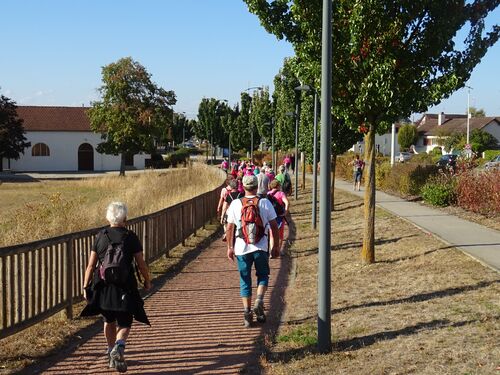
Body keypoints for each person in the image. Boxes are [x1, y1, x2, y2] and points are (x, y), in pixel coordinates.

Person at [81, 202, 151, 373]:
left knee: (108, 320)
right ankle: (118, 347)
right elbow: (141, 264)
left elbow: (91, 265)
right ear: (125, 218)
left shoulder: (100, 236)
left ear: (108, 217)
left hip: (103, 286)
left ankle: (110, 350)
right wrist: (147, 280)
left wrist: (85, 286)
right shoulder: (130, 237)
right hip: (125, 286)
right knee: (126, 322)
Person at [226, 175, 279, 328]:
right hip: (260, 247)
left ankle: (247, 313)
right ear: (257, 187)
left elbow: (230, 227)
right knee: (263, 275)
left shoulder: (236, 203)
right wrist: (275, 246)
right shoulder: (264, 202)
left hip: (241, 248)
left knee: (245, 280)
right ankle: (259, 300)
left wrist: (230, 247)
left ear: (243, 187)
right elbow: (274, 226)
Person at [267, 179, 289, 255]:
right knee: (280, 235)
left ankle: (272, 250)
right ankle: (278, 251)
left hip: (270, 217)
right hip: (279, 216)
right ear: (278, 186)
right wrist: (285, 211)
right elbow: (286, 202)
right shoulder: (281, 193)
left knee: (271, 235)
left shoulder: (268, 194)